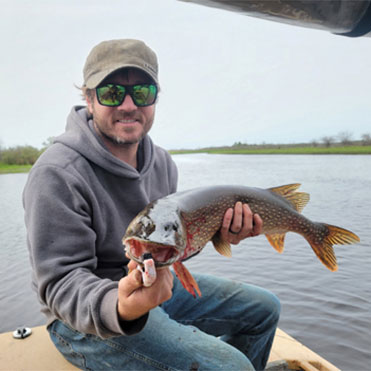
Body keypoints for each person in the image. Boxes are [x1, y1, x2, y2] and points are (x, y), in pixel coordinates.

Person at [23, 39, 280, 370]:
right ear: (88, 99)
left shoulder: (162, 163)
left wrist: (216, 233)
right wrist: (121, 306)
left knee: (264, 309)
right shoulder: (56, 173)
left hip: (157, 287)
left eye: (142, 92)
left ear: (155, 98)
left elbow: (173, 244)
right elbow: (60, 283)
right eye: (112, 93)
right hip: (83, 320)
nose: (129, 105)